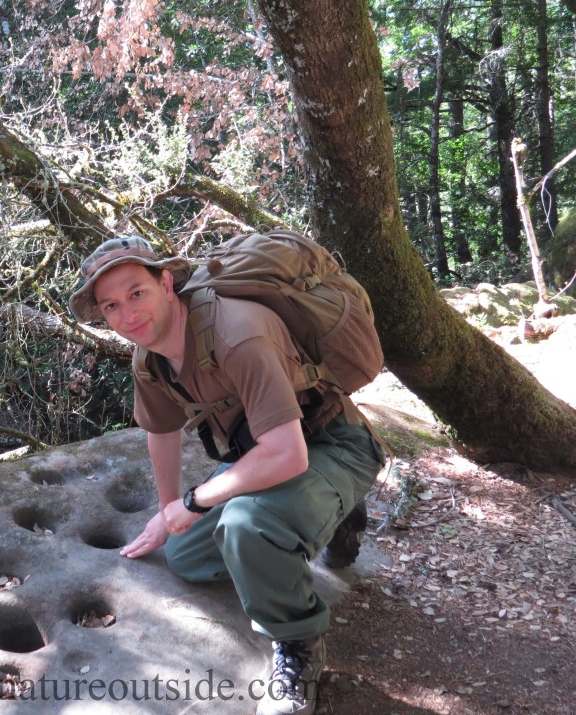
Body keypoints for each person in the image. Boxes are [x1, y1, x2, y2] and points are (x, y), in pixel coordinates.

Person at [69, 236, 384, 715]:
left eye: (136, 293)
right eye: (111, 305)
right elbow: (162, 430)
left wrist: (194, 502)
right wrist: (168, 511)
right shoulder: (149, 356)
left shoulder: (237, 332)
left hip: (332, 442)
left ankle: (297, 647)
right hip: (266, 448)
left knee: (246, 526)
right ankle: (329, 514)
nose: (128, 315)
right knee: (187, 557)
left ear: (166, 282)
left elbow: (287, 455)